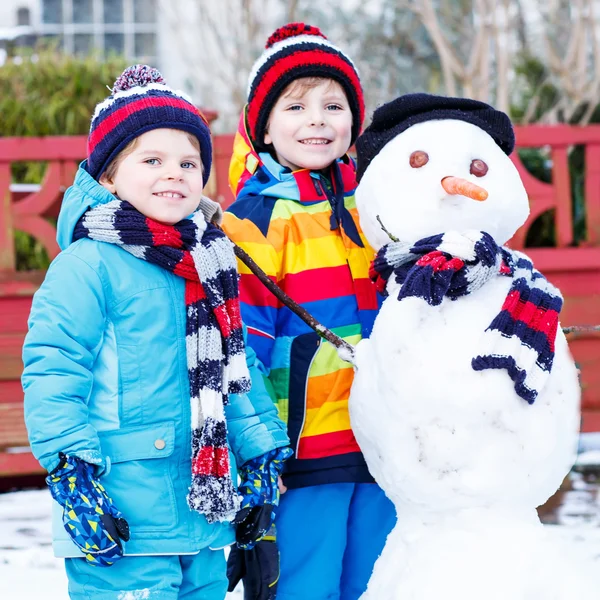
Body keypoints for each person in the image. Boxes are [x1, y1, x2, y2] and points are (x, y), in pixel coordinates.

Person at [22, 64, 289, 600]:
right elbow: (54, 369)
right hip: (121, 513)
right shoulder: (88, 265)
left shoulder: (208, 262)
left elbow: (236, 372)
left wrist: (259, 456)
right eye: (152, 160)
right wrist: (71, 474)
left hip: (204, 511)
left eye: (189, 162)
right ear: (108, 178)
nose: (175, 173)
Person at [223, 23, 397, 600]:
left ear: (354, 120)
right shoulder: (255, 218)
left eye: (333, 104)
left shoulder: (379, 204)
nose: (317, 118)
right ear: (264, 127)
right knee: (304, 582)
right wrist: (258, 442)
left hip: (383, 439)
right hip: (301, 446)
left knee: (375, 580)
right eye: (295, 106)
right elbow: (241, 337)